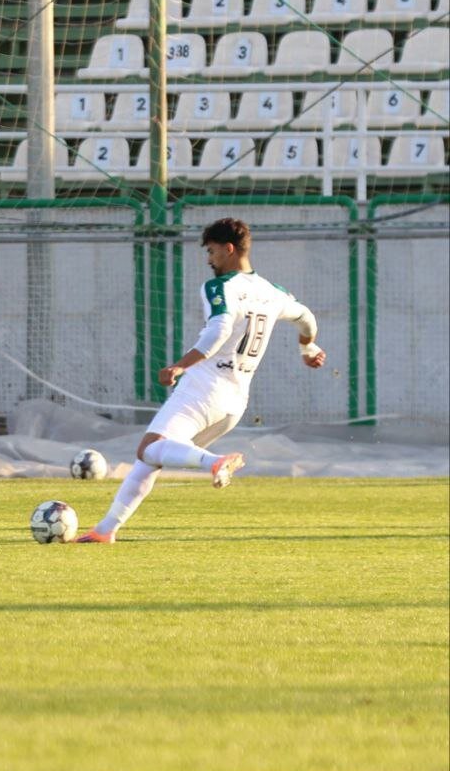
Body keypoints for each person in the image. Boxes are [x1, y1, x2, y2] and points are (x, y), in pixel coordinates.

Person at [78, 216, 326, 544]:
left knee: (149, 448)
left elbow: (219, 328)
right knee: (153, 455)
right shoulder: (273, 292)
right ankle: (105, 530)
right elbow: (305, 317)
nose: (209, 260)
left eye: (211, 252)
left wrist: (180, 366)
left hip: (204, 387)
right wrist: (308, 348)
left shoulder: (220, 287)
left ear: (229, 248)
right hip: (235, 402)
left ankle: (215, 462)